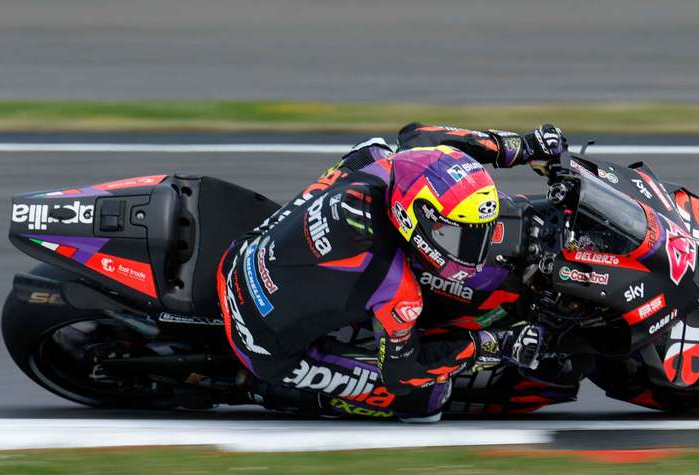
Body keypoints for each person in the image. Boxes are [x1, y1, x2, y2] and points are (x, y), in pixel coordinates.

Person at [217, 123, 564, 422]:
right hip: (260, 340)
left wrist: (520, 147)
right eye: (457, 234)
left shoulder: (380, 163)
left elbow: (422, 135)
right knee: (425, 401)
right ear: (414, 215)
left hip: (247, 249)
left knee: (369, 148)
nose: (473, 250)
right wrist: (493, 345)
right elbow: (402, 373)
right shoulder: (395, 285)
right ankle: (267, 390)